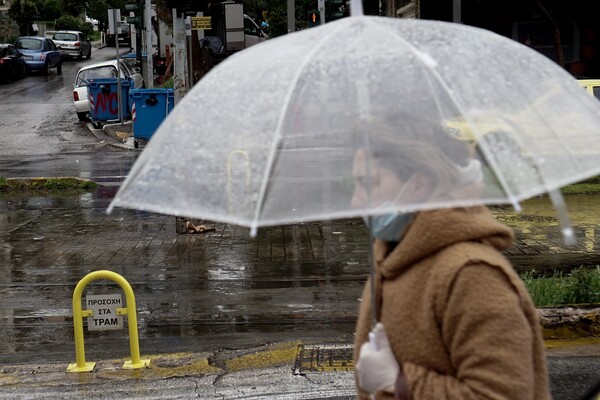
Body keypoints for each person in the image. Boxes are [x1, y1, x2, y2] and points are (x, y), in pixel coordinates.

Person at [351, 119, 551, 400]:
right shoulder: (392, 257)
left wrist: (399, 385)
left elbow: (501, 394)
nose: (355, 200)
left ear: (418, 184)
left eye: (368, 183)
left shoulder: (472, 275)